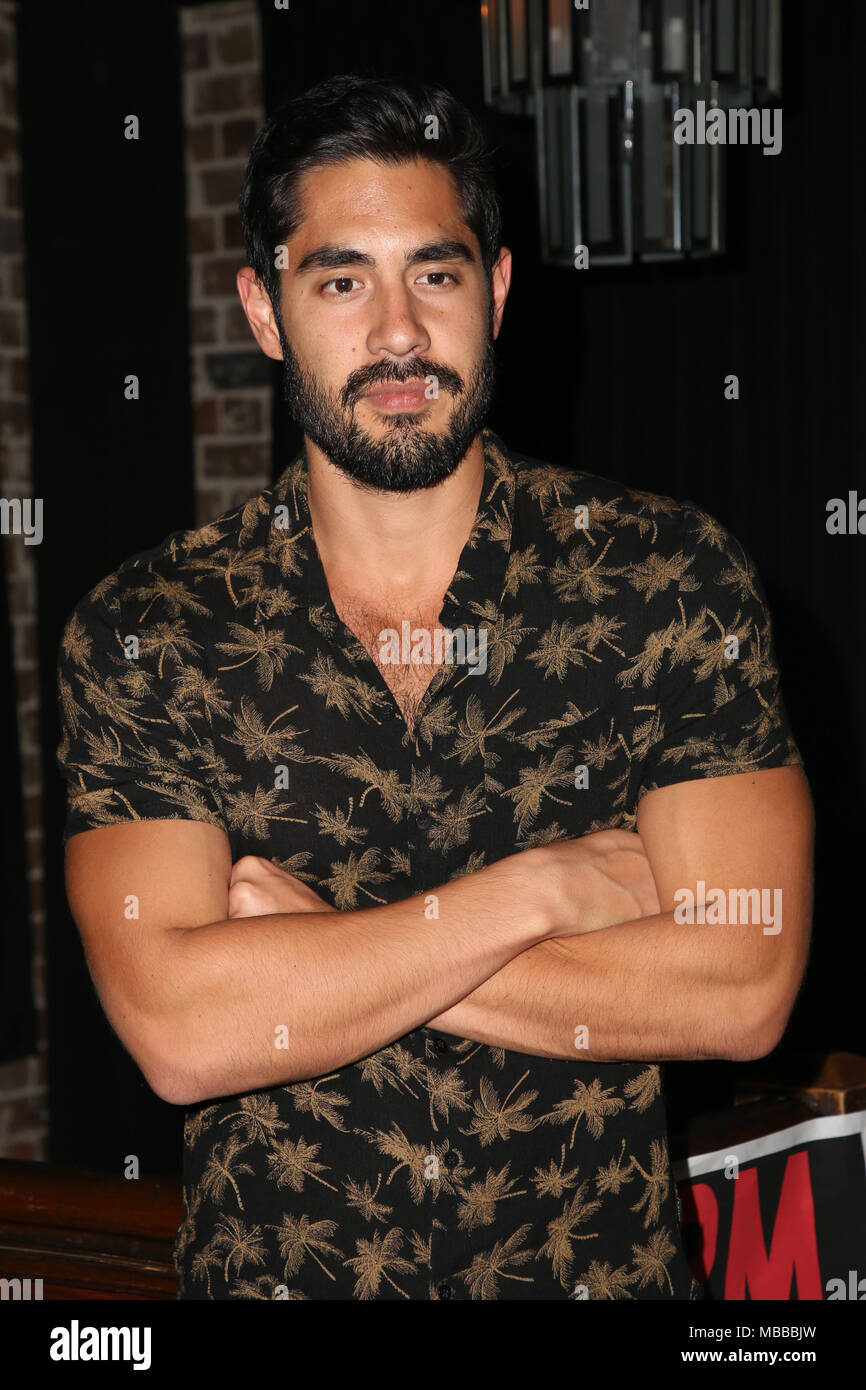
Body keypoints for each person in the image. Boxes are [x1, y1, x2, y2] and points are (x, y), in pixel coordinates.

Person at [57, 74, 813, 1301]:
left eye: (438, 273)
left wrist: (311, 959)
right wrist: (538, 892)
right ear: (264, 310)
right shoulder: (151, 629)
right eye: (341, 279)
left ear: (497, 292)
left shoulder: (664, 579)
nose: (398, 335)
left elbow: (741, 986)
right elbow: (183, 1034)